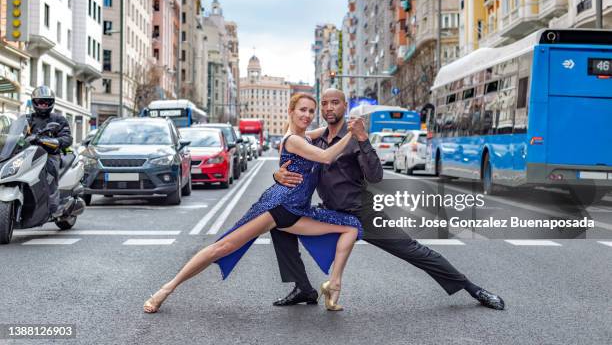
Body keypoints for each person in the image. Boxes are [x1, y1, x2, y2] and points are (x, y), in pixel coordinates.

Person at [271, 89, 505, 310]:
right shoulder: (317, 139)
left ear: (345, 106)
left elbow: (375, 176)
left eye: (335, 103)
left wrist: (363, 140)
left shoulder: (354, 138)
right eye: (324, 104)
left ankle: (474, 290)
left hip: (362, 213)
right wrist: (277, 173)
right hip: (331, 212)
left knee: (413, 251)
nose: (329, 108)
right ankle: (303, 288)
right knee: (280, 223)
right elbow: (291, 149)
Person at [143, 93, 363, 314]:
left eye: (311, 111)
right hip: (277, 207)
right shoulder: (293, 140)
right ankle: (166, 289)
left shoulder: (305, 138)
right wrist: (352, 134)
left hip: (297, 212)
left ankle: (333, 284)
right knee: (221, 247)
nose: (307, 115)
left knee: (351, 226)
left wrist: (345, 123)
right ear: (291, 111)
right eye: (302, 110)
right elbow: (326, 156)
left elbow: (328, 131)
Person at [26, 86, 73, 218]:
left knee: (49, 175)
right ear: (34, 102)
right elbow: (15, 132)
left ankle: (53, 207)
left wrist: (52, 141)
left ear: (51, 103)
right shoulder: (27, 119)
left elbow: (67, 138)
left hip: (49, 154)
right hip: (28, 154)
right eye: (40, 102)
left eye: (46, 102)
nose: (43, 105)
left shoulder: (58, 119)